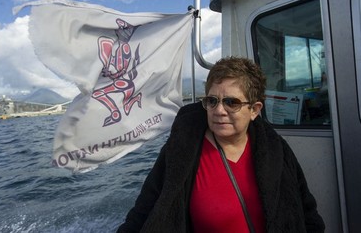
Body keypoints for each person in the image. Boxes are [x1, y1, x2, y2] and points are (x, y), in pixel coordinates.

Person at [117, 56, 325, 233]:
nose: (219, 110)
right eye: (212, 101)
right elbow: (145, 209)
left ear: (254, 109)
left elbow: (307, 210)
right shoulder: (182, 150)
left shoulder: (276, 149)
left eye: (231, 102)